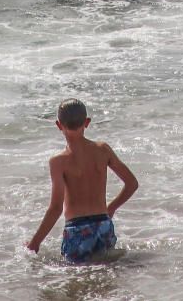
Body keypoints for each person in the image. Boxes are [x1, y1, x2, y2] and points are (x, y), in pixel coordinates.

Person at [26, 98, 139, 263]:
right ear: (87, 122)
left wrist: (34, 243)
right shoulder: (103, 150)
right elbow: (132, 184)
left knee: (76, 281)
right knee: (105, 277)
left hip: (77, 229)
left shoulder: (58, 162)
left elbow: (56, 208)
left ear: (59, 125)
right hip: (103, 225)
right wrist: (111, 208)